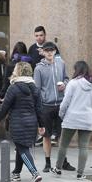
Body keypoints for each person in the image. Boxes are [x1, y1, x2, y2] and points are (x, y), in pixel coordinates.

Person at [0, 62, 44, 182]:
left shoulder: (14, 87)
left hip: (18, 122)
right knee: (21, 148)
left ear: (17, 72)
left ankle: (35, 173)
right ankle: (16, 173)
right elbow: (39, 108)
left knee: (22, 148)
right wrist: (41, 125)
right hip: (32, 122)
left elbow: (5, 106)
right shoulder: (35, 88)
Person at [52, 61, 92, 179]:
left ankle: (58, 168)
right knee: (84, 146)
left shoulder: (73, 83)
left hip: (71, 117)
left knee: (63, 145)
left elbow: (65, 102)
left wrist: (61, 114)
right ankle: (80, 173)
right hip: (87, 118)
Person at [33, 41, 72, 172]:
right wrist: (39, 105)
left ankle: (63, 161)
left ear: (55, 51)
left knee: (62, 135)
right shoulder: (39, 68)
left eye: (52, 50)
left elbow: (67, 78)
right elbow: (37, 89)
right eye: (47, 50)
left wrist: (64, 85)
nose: (50, 52)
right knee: (47, 135)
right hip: (46, 105)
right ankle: (47, 162)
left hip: (60, 104)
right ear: (43, 52)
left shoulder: (61, 63)